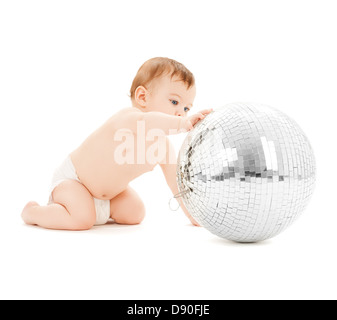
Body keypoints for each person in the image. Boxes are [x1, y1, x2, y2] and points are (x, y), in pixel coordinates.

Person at [21, 57, 212, 230]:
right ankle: (34, 213)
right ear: (142, 97)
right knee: (82, 219)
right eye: (174, 102)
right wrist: (181, 124)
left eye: (187, 108)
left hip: (110, 196)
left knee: (136, 212)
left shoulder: (162, 148)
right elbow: (149, 122)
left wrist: (194, 216)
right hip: (75, 183)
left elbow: (177, 185)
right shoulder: (129, 119)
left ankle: (96, 212)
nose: (181, 113)